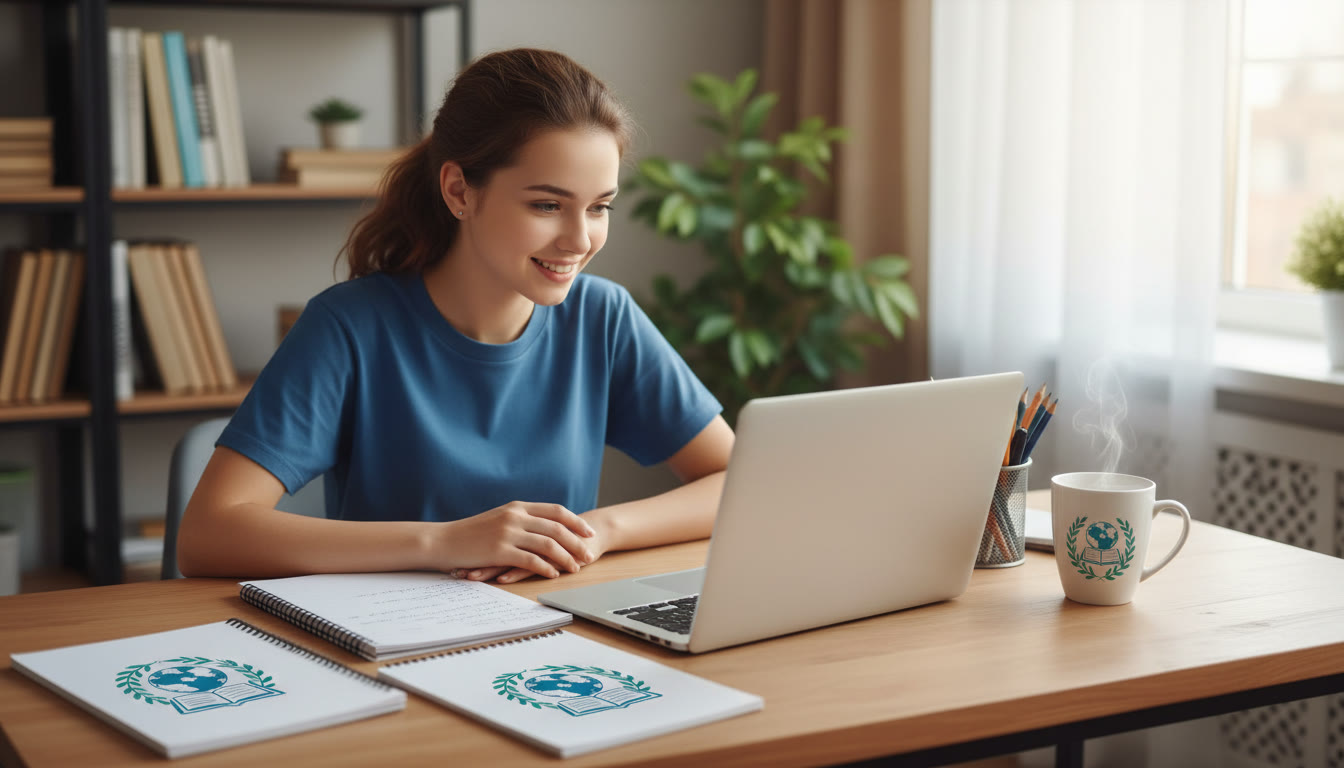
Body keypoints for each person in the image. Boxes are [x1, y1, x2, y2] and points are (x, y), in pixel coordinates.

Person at [177, 48, 733, 584]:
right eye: (547, 205)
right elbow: (208, 534)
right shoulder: (349, 327)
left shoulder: (603, 318)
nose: (579, 239)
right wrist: (444, 543)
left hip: (554, 638)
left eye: (599, 207)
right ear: (458, 191)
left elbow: (736, 480)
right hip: (386, 646)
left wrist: (597, 531)